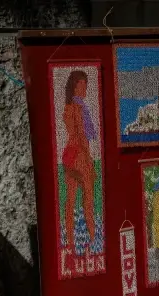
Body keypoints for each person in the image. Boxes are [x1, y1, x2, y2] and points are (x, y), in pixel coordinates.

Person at [62, 70, 98, 250]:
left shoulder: (71, 107)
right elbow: (81, 137)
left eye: (86, 85)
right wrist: (89, 162)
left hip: (69, 155)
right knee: (88, 199)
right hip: (79, 156)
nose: (84, 89)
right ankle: (93, 238)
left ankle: (69, 241)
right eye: (81, 85)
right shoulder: (78, 108)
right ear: (73, 87)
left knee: (70, 200)